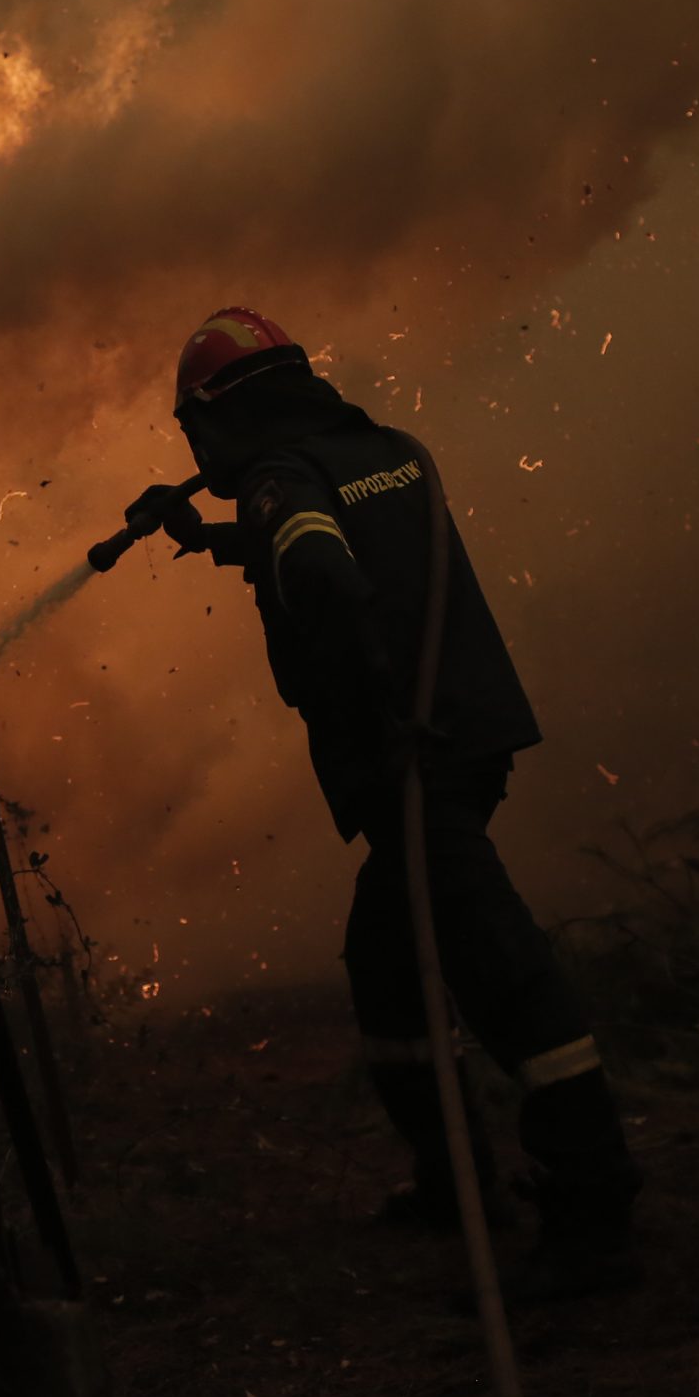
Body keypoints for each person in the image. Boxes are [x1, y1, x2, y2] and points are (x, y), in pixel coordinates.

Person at [121, 305, 644, 1302]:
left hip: (414, 758)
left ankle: (593, 1197)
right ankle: (455, 1182)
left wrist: (373, 705)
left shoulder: (282, 479)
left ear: (218, 417)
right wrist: (211, 539)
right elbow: (328, 542)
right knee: (388, 958)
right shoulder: (382, 451)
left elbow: (318, 570)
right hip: (470, 730)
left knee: (500, 970)